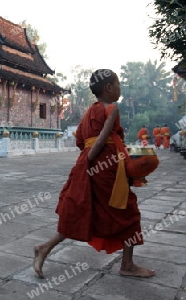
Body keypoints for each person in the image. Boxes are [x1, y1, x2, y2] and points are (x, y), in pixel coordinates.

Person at [33, 69, 155, 279]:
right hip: (106, 167)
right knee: (129, 213)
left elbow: (81, 140)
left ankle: (44, 247)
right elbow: (101, 140)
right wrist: (94, 161)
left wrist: (86, 165)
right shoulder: (112, 109)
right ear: (108, 87)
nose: (119, 89)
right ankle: (127, 264)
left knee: (83, 211)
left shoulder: (90, 111)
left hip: (90, 165)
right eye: (117, 85)